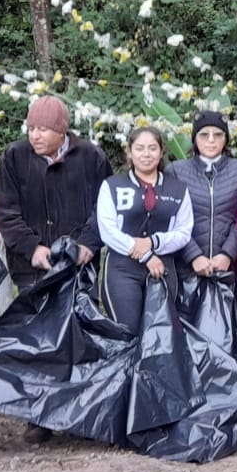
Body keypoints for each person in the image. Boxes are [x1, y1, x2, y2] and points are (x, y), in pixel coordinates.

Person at [0, 95, 112, 445]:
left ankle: (78, 411)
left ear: (62, 130)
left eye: (43, 128)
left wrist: (89, 244)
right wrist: (32, 248)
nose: (35, 135)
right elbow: (7, 213)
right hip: (32, 268)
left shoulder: (91, 157)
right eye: (31, 127)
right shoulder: (14, 158)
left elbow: (103, 208)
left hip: (79, 264)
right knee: (37, 341)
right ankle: (38, 415)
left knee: (78, 337)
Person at [94, 127, 194, 332]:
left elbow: (184, 231)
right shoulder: (111, 186)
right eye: (139, 148)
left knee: (161, 337)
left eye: (152, 148)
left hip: (163, 270)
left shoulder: (178, 189)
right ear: (130, 152)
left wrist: (154, 242)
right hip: (122, 271)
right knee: (126, 333)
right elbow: (108, 231)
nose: (146, 154)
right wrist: (146, 255)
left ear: (161, 152)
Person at [167, 110, 237, 281]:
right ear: (195, 138)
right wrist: (194, 256)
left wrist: (227, 254)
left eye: (218, 134)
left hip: (230, 270)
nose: (211, 140)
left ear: (226, 139)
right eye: (204, 134)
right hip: (185, 270)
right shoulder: (176, 171)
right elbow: (170, 218)